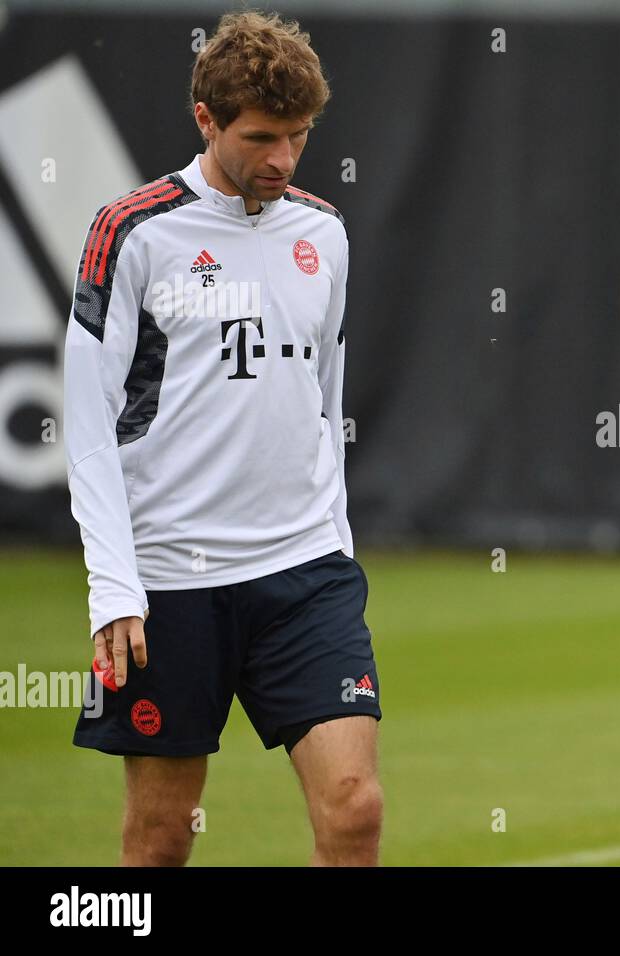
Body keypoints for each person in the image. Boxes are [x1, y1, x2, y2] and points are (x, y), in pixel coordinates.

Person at [64, 10, 382, 866]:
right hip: (169, 582)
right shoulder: (132, 231)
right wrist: (113, 588)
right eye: (262, 137)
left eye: (300, 137)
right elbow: (87, 423)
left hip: (304, 573)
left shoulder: (325, 233)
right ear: (205, 120)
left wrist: (337, 543)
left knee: (355, 811)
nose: (283, 159)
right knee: (162, 840)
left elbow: (326, 402)